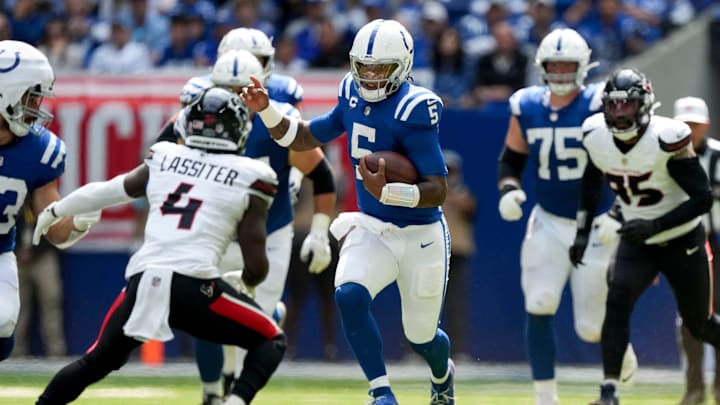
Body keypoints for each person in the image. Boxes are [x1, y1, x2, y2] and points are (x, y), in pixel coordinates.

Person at [241, 18, 455, 405]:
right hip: (372, 226)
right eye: (365, 68)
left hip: (421, 234)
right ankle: (381, 392)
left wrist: (392, 191)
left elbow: (438, 190)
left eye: (381, 69)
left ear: (403, 66)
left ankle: (442, 376)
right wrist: (267, 110)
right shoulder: (351, 95)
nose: (371, 77)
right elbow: (305, 136)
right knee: (349, 294)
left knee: (421, 336)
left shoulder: (416, 109)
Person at [33, 87, 286, 405]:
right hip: (195, 287)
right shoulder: (253, 175)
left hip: (143, 280)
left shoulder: (165, 156)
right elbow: (256, 264)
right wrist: (247, 283)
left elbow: (111, 190)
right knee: (271, 340)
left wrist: (57, 209)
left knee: (94, 362)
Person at [159, 45, 337, 404]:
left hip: (267, 233)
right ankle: (213, 391)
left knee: (252, 327)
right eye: (225, 89)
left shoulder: (278, 118)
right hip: (214, 234)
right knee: (205, 316)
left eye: (241, 91)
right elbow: (156, 162)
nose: (234, 99)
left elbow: (320, 172)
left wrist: (319, 230)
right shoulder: (197, 113)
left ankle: (237, 395)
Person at [496, 28, 637, 405]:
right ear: (541, 66)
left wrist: (619, 213)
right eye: (553, 65)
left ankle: (617, 347)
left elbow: (627, 163)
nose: (559, 72)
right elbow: (512, 158)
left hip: (594, 225)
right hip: (548, 218)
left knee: (591, 329)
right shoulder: (526, 105)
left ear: (584, 66)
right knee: (539, 301)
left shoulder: (601, 103)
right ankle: (545, 397)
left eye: (567, 65)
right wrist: (509, 187)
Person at [569, 68, 720, 405]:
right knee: (617, 303)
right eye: (614, 106)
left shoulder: (666, 138)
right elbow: (591, 181)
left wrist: (655, 226)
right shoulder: (595, 135)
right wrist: (581, 232)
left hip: (681, 238)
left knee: (700, 325)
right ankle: (609, 391)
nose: (620, 114)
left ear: (645, 105)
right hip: (638, 241)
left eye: (628, 106)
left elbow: (702, 199)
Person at [0, 40, 100, 363]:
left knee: (2, 324)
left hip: (1, 250)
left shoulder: (40, 152)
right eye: (32, 96)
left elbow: (53, 227)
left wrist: (81, 218)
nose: (38, 107)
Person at [672, 96, 720, 405]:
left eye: (696, 124)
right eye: (686, 124)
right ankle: (694, 387)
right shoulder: (665, 155)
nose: (691, 130)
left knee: (716, 315)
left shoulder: (717, 155)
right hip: (685, 242)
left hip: (716, 241)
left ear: (706, 125)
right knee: (691, 318)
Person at [14, 204, 67, 358]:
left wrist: (35, 251)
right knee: (15, 306)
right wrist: (17, 249)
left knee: (51, 301)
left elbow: (57, 228)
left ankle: (56, 352)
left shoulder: (45, 193)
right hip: (15, 257)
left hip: (44, 256)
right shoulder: (11, 194)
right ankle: (15, 353)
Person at [440, 149, 476, 360]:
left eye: (452, 171)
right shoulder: (430, 191)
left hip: (458, 254)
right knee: (426, 304)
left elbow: (470, 209)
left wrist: (451, 193)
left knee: (457, 305)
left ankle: (458, 351)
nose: (449, 174)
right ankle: (417, 351)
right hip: (435, 253)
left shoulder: (462, 193)